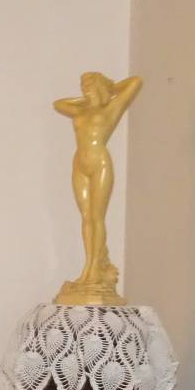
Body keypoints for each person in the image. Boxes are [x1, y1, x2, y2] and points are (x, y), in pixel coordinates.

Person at [53, 72, 142, 303]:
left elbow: (135, 82)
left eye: (90, 84)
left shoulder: (111, 108)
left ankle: (94, 269)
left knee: (96, 217)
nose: (85, 88)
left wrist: (110, 89)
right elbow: (58, 104)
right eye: (83, 84)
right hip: (79, 164)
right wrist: (86, 100)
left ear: (100, 85)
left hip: (99, 162)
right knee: (86, 217)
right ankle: (88, 270)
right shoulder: (80, 111)